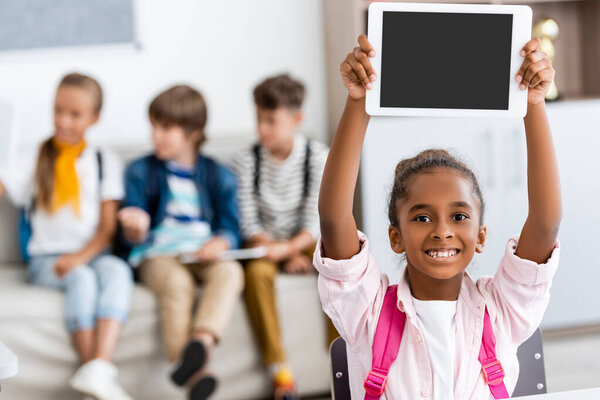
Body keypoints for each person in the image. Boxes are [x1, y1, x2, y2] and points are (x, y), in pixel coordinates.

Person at [315, 35, 561, 399]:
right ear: (395, 236)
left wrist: (534, 104)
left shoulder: (501, 312)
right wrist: (358, 103)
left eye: (459, 216)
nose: (443, 231)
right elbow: (334, 217)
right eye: (422, 218)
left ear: (480, 236)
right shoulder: (367, 312)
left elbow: (545, 221)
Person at [0, 73, 134, 400]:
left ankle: (98, 370)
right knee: (83, 280)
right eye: (58, 110)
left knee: (118, 271)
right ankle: (98, 374)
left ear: (94, 118)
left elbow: (106, 230)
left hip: (91, 253)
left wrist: (79, 257)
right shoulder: (35, 157)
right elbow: (5, 185)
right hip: (47, 259)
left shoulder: (105, 161)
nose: (63, 120)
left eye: (75, 114)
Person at [117, 85, 243, 399]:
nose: (156, 135)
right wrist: (135, 228)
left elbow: (231, 227)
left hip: (201, 252)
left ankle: (201, 342)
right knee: (176, 285)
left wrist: (221, 242)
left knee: (231, 272)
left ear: (194, 132)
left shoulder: (218, 175)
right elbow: (130, 227)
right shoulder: (140, 171)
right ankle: (194, 372)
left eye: (166, 128)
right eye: (154, 127)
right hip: (157, 253)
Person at [233, 74, 336, 400]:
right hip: (264, 248)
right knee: (256, 275)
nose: (262, 128)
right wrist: (274, 250)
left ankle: (344, 355)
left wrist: (292, 250)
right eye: (259, 119)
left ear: (296, 119)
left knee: (336, 264)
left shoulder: (317, 158)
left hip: (304, 242)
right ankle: (281, 374)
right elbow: (248, 222)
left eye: (271, 121)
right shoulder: (246, 162)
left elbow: (315, 219)